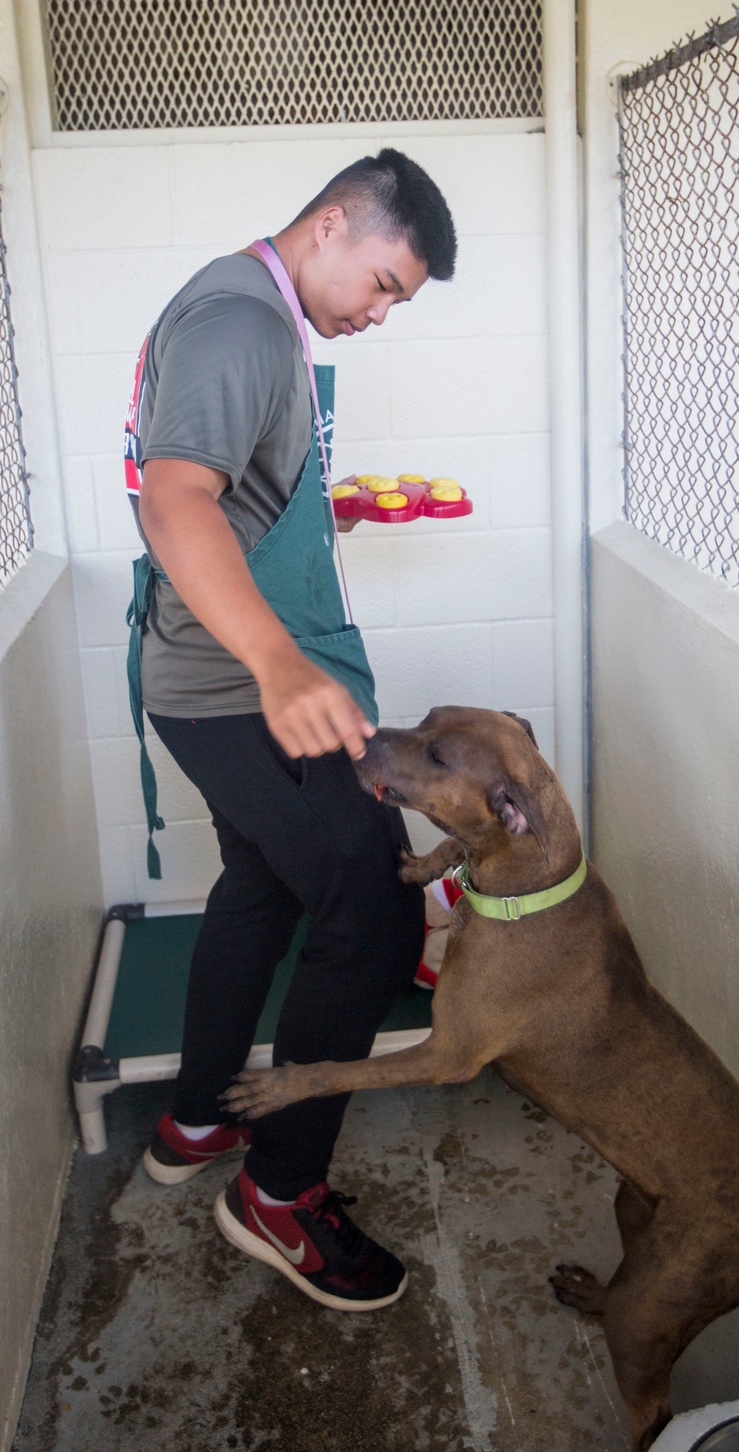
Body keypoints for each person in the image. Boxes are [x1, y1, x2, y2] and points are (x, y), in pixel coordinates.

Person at [126, 149, 456, 1312]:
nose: (377, 315)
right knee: (369, 901)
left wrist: (320, 512)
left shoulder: (255, 312)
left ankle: (201, 1112)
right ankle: (278, 1193)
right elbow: (174, 498)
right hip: (228, 688)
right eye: (383, 286)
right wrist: (275, 663)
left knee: (263, 885)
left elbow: (233, 495)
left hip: (210, 678)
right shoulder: (242, 323)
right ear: (329, 228)